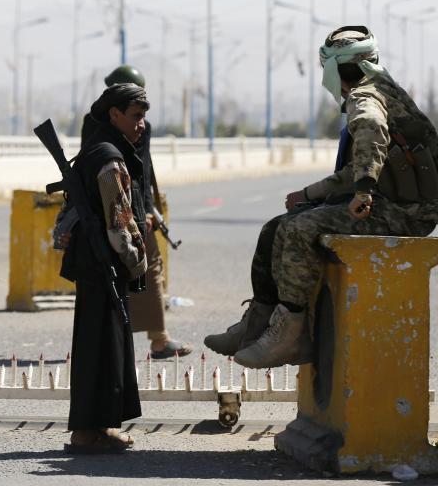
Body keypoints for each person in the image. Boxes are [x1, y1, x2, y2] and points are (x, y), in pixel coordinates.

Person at [205, 25, 438, 369]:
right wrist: (310, 193)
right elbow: (369, 161)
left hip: (405, 211)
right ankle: (256, 325)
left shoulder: (366, 97)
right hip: (395, 200)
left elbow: (371, 135)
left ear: (333, 70)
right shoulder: (385, 90)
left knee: (299, 229)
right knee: (276, 227)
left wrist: (363, 189)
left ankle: (291, 336)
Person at [58, 83, 149, 453]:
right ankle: (88, 431)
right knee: (104, 347)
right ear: (115, 114)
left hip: (93, 262)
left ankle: (94, 428)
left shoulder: (97, 149)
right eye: (135, 117)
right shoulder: (110, 158)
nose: (141, 125)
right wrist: (135, 260)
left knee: (100, 345)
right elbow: (119, 221)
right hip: (104, 264)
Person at [83, 65, 193, 360]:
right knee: (148, 268)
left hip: (99, 210)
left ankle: (120, 340)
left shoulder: (92, 121)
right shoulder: (133, 125)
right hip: (125, 211)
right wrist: (143, 213)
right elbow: (138, 173)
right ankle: (159, 339)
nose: (140, 121)